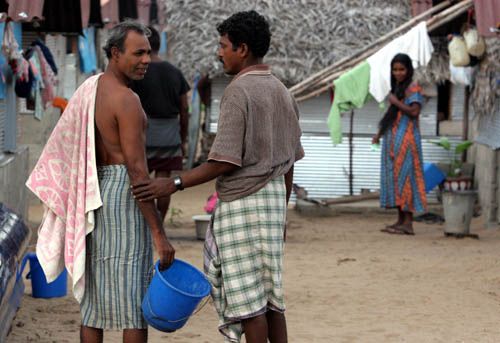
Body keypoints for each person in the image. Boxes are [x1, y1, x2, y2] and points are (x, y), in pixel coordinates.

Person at [132, 10, 304, 343]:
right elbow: (290, 161)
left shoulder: (239, 91)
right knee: (272, 301)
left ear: (242, 49)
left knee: (249, 305)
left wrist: (175, 182)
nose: (218, 52)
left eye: (223, 45)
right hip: (271, 205)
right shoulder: (283, 91)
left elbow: (224, 160)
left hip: (243, 205)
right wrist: (281, 211)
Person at [81, 21, 175, 342]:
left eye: (148, 53)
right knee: (134, 304)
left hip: (97, 191)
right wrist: (158, 233)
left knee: (93, 305)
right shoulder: (127, 100)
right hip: (124, 194)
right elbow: (137, 172)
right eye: (138, 53)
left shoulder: (91, 90)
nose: (146, 60)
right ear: (115, 53)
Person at [131, 26, 190, 223]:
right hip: (169, 134)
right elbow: (184, 108)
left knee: (140, 180)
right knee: (164, 182)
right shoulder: (175, 72)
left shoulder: (138, 72)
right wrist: (183, 138)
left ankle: (146, 223)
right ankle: (159, 222)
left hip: (143, 133)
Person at [372, 53, 427, 235]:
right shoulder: (398, 88)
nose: (398, 73)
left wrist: (396, 101)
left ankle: (408, 223)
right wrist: (379, 134)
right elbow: (391, 114)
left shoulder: (413, 88)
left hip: (407, 141)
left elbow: (414, 111)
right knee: (396, 179)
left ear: (408, 69)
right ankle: (400, 220)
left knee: (406, 178)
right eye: (395, 69)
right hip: (393, 140)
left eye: (401, 69)